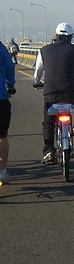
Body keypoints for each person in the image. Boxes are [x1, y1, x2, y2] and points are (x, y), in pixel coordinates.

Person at [33, 23, 74, 163]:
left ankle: (48, 151)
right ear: (71, 37)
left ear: (56, 35)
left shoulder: (44, 50)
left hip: (50, 93)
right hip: (71, 92)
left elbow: (38, 71)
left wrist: (36, 82)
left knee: (48, 122)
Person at [0, 40, 16, 184]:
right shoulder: (1, 48)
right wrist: (11, 84)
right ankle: (3, 171)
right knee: (2, 136)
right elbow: (10, 67)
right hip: (0, 97)